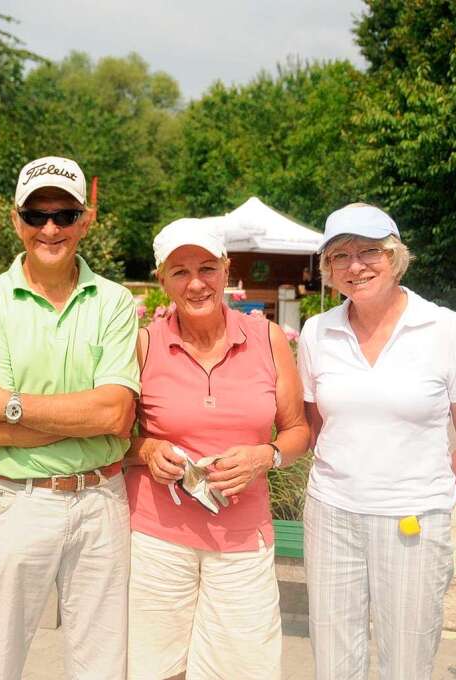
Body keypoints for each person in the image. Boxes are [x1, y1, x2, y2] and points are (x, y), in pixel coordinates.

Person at [0, 155, 139, 680]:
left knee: (103, 668)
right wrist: (88, 413)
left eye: (64, 214)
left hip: (101, 501)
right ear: (17, 220)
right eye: (37, 216)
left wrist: (13, 405)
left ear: (86, 219)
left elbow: (118, 413)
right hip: (13, 501)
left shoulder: (115, 301)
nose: (50, 228)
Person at [297, 203, 456, 680]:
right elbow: (317, 426)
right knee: (332, 658)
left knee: (406, 662)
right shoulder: (316, 332)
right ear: (327, 268)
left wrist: (432, 499)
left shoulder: (445, 329)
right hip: (331, 516)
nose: (355, 266)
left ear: (395, 256)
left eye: (369, 252)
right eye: (340, 256)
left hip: (412, 522)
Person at [124, 217, 310, 680]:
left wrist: (263, 456)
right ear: (161, 279)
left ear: (227, 270)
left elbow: (298, 432)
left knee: (243, 668)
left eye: (207, 267)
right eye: (180, 271)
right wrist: (147, 451)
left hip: (243, 538)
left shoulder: (267, 339)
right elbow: (117, 439)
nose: (196, 283)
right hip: (157, 537)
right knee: (155, 667)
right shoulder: (144, 344)